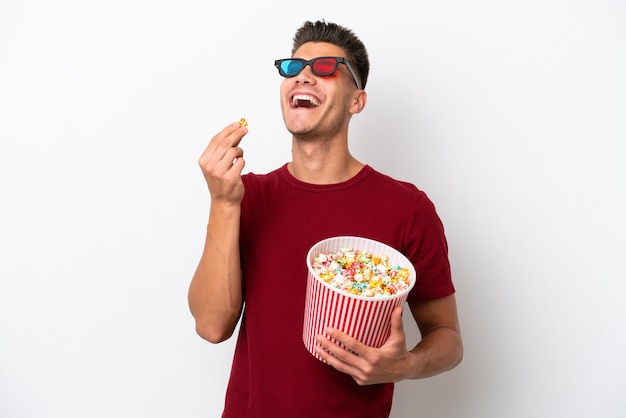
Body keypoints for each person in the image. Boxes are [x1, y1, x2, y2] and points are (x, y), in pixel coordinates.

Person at [188, 20, 463, 418]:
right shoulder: (244, 195)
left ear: (357, 101)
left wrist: (405, 366)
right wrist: (223, 203)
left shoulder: (408, 208)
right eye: (293, 68)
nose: (303, 76)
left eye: (325, 68)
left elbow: (448, 338)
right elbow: (212, 326)